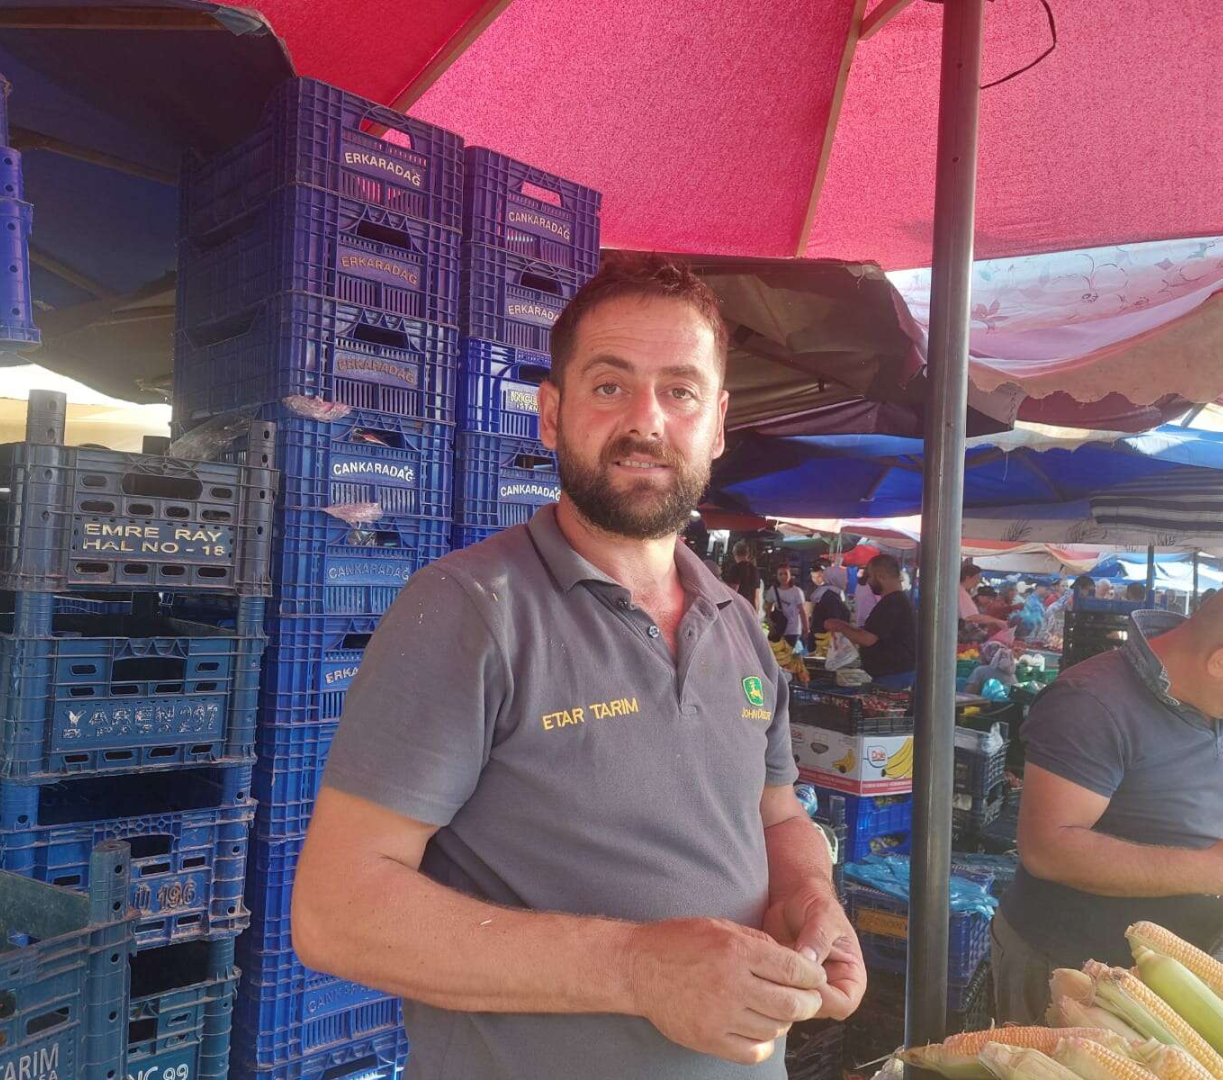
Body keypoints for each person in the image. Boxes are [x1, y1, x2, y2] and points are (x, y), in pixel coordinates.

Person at [289, 254, 865, 1079]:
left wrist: (811, 897)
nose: (646, 421)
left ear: (717, 424)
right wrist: (637, 969)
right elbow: (336, 911)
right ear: (552, 415)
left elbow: (776, 816)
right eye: (609, 385)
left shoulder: (737, 622)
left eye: (680, 391)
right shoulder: (468, 608)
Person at [992, 581, 1223, 1024]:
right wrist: (1214, 870)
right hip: (1079, 970)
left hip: (1189, 967)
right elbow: (1047, 848)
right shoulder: (1089, 701)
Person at [825, 554, 917, 689]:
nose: (868, 582)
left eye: (870, 577)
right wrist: (844, 625)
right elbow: (873, 632)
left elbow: (867, 638)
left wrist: (839, 626)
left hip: (893, 677)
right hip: (895, 674)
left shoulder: (892, 603)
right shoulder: (896, 601)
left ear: (880, 576)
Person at [767, 562, 808, 649]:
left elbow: (802, 611)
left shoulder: (797, 591)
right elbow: (768, 608)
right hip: (778, 629)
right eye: (780, 574)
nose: (783, 576)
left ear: (790, 575)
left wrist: (806, 628)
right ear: (777, 576)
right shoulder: (773, 590)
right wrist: (770, 623)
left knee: (787, 653)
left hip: (793, 630)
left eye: (786, 573)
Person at [959, 561, 1007, 631]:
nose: (978, 581)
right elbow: (973, 617)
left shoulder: (960, 591)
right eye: (977, 578)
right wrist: (997, 621)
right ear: (968, 578)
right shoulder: (961, 593)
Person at [808, 563, 852, 640]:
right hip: (824, 640)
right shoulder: (831, 597)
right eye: (844, 578)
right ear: (836, 578)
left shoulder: (829, 593)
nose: (847, 581)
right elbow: (833, 622)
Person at [722, 539, 762, 612]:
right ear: (748, 553)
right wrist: (756, 613)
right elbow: (756, 595)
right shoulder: (754, 569)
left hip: (739, 609)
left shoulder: (735, 568)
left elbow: (733, 591)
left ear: (734, 553)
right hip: (751, 609)